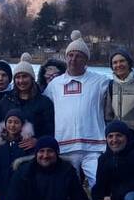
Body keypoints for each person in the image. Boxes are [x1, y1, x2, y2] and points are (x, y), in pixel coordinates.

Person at [43, 30, 111, 188]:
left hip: (93, 146)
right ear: (66, 57)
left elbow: (123, 85)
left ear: (86, 59)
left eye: (78, 55)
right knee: (66, 187)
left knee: (100, 184)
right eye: (70, 55)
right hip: (64, 145)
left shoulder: (100, 81)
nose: (73, 59)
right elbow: (40, 105)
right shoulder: (55, 84)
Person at [0, 53, 55, 143]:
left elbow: (50, 130)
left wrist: (37, 141)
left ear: (32, 78)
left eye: (24, 76)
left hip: (34, 152)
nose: (21, 81)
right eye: (18, 77)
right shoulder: (6, 100)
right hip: (10, 150)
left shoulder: (44, 102)